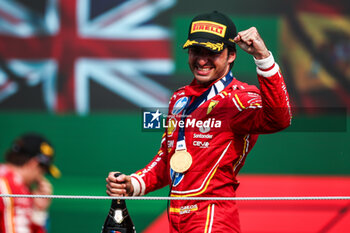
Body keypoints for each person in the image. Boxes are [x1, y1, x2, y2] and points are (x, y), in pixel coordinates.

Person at [106, 11, 292, 232]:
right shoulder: (180, 98)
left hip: (214, 216)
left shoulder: (240, 98)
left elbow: (279, 118)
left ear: (231, 55)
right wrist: (133, 184)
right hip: (176, 216)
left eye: (211, 52)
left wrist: (263, 58)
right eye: (196, 51)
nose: (202, 60)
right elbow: (168, 161)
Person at [0, 133, 61, 233]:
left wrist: (38, 211)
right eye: (43, 170)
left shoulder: (19, 187)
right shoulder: (9, 186)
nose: (42, 176)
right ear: (34, 163)